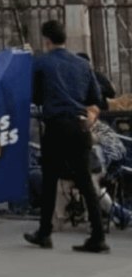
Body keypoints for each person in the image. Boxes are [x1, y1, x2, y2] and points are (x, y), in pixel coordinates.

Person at [24, 20, 110, 254]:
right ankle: (98, 236)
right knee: (85, 181)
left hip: (56, 126)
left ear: (46, 40)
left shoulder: (41, 62)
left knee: (50, 179)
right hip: (79, 125)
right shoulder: (82, 64)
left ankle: (44, 232)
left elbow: (35, 96)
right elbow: (96, 97)